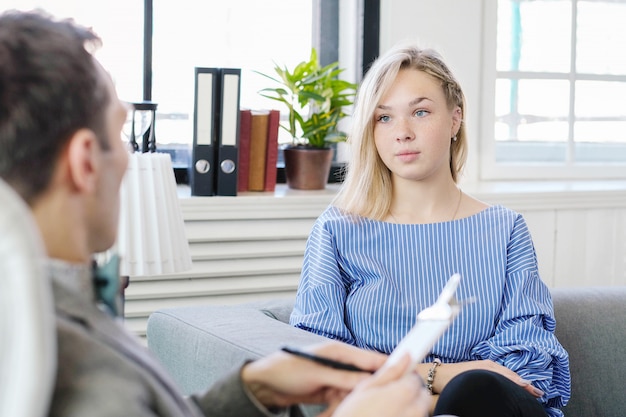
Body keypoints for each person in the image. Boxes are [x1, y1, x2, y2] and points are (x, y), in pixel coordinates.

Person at [0, 10, 430, 417]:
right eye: (121, 134)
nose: (129, 159)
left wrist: (251, 390)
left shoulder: (42, 309)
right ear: (86, 162)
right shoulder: (58, 354)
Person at [290, 42, 571, 417]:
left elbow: (526, 375)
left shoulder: (505, 230)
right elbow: (323, 369)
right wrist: (442, 376)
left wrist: (416, 386)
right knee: (471, 384)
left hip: (488, 408)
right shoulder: (338, 232)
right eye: (384, 118)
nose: (402, 132)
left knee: (479, 387)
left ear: (455, 119)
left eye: (420, 112)